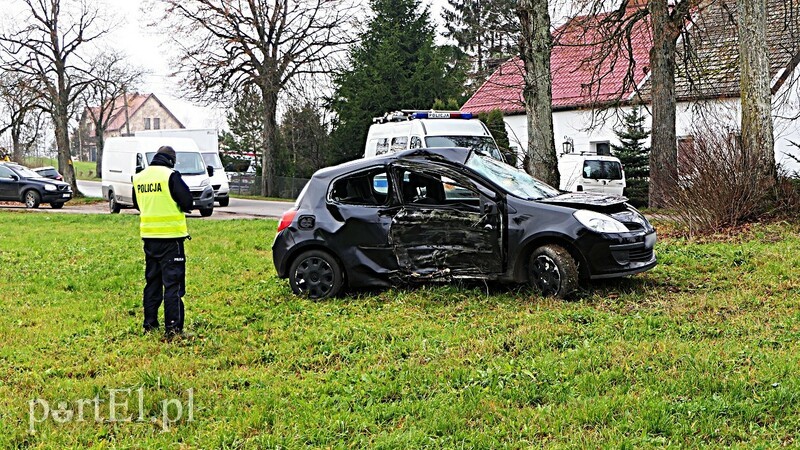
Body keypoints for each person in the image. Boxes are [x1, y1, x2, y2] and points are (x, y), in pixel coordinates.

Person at [132, 146, 194, 338]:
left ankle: (149, 324)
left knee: (152, 282)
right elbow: (187, 202)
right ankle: (173, 329)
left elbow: (136, 204)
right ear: (171, 160)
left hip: (149, 238)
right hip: (171, 239)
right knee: (173, 284)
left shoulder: (139, 177)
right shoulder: (170, 176)